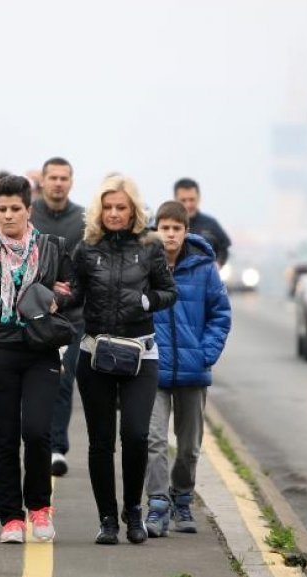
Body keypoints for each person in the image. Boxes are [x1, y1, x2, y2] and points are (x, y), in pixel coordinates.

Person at [0, 175, 72, 544]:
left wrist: (59, 299)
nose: (7, 216)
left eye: (15, 209)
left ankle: (39, 508)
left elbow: (74, 292)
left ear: (29, 210)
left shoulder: (53, 248)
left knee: (37, 432)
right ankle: (10, 517)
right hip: (0, 353)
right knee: (5, 437)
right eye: (1, 209)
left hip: (41, 352)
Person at [70, 175, 177, 545]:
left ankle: (133, 511)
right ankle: (106, 520)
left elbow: (168, 291)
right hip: (95, 354)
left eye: (121, 207)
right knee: (101, 441)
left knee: (135, 435)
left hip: (140, 355)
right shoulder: (86, 248)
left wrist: (148, 301)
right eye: (108, 207)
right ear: (99, 210)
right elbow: (75, 295)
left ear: (133, 209)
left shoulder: (150, 247)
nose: (114, 213)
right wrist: (50, 296)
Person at [145, 201, 231, 537]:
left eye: (176, 228)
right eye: (164, 228)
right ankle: (156, 504)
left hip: (193, 371)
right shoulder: (146, 266)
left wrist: (205, 353)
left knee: (189, 444)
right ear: (156, 229)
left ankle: (181, 496)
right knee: (153, 439)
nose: (169, 234)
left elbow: (220, 315)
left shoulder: (204, 268)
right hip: (153, 369)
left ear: (185, 231)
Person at [29, 156, 85, 477]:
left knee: (63, 380)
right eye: (53, 177)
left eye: (65, 178)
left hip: (72, 317)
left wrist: (70, 294)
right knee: (34, 383)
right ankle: (36, 442)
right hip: (32, 315)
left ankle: (56, 448)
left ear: (71, 182)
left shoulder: (82, 220)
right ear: (44, 180)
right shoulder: (29, 215)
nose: (59, 183)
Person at [173, 178, 231, 267]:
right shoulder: (167, 226)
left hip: (205, 278)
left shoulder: (211, 224)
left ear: (199, 198)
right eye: (183, 200)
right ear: (175, 200)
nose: (188, 204)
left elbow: (224, 249)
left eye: (191, 199)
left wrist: (218, 265)